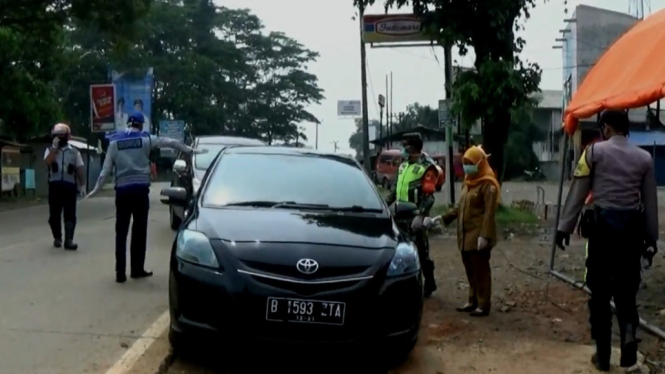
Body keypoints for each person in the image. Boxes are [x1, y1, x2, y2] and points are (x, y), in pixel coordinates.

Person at [555, 110, 658, 372]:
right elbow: (650, 204)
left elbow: (578, 191)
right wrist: (651, 240)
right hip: (631, 234)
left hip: (602, 232)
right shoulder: (644, 158)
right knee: (626, 291)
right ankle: (628, 343)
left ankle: (602, 357)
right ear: (627, 129)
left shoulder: (593, 153)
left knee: (600, 294)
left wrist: (564, 227)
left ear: (606, 128)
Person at [86, 112, 207, 283]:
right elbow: (171, 142)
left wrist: (95, 190)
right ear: (141, 125)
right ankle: (136, 270)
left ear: (128, 124)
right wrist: (191, 150)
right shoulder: (147, 139)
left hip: (122, 191)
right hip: (140, 191)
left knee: (121, 233)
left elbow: (105, 171)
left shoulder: (114, 143)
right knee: (139, 231)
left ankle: (120, 273)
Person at [442, 146, 499, 317]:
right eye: (465, 163)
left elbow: (489, 213)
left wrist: (485, 236)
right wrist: (443, 218)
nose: (467, 166)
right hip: (465, 235)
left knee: (481, 271)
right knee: (470, 270)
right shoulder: (468, 183)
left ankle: (483, 304)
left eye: (470, 163)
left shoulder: (488, 185)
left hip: (479, 236)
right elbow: (460, 208)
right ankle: (472, 300)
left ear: (480, 163)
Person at [385, 133, 439, 297]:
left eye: (405, 145)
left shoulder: (427, 167)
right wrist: (383, 205)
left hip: (415, 216)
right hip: (399, 215)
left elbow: (429, 197)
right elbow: (395, 191)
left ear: (413, 147)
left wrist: (421, 215)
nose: (402, 149)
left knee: (421, 251)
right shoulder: (403, 165)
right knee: (400, 252)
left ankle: (429, 283)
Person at [44, 123, 86, 250]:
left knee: (70, 214)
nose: (60, 139)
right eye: (58, 137)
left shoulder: (74, 152)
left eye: (62, 136)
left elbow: (80, 169)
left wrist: (82, 184)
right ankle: (57, 238)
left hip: (69, 186)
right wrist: (54, 148)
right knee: (54, 214)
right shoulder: (50, 150)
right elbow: (47, 162)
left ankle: (69, 240)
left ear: (68, 137)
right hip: (54, 185)